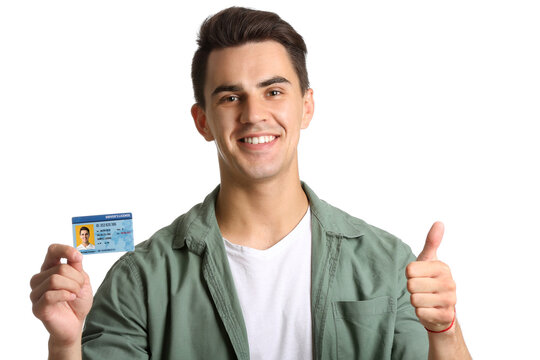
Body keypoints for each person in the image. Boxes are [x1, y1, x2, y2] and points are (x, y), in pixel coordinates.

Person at [30, 7, 471, 359]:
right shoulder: (141, 280)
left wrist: (445, 332)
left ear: (306, 107)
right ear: (203, 121)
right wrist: (66, 345)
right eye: (229, 96)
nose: (254, 113)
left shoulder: (391, 266)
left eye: (273, 91)